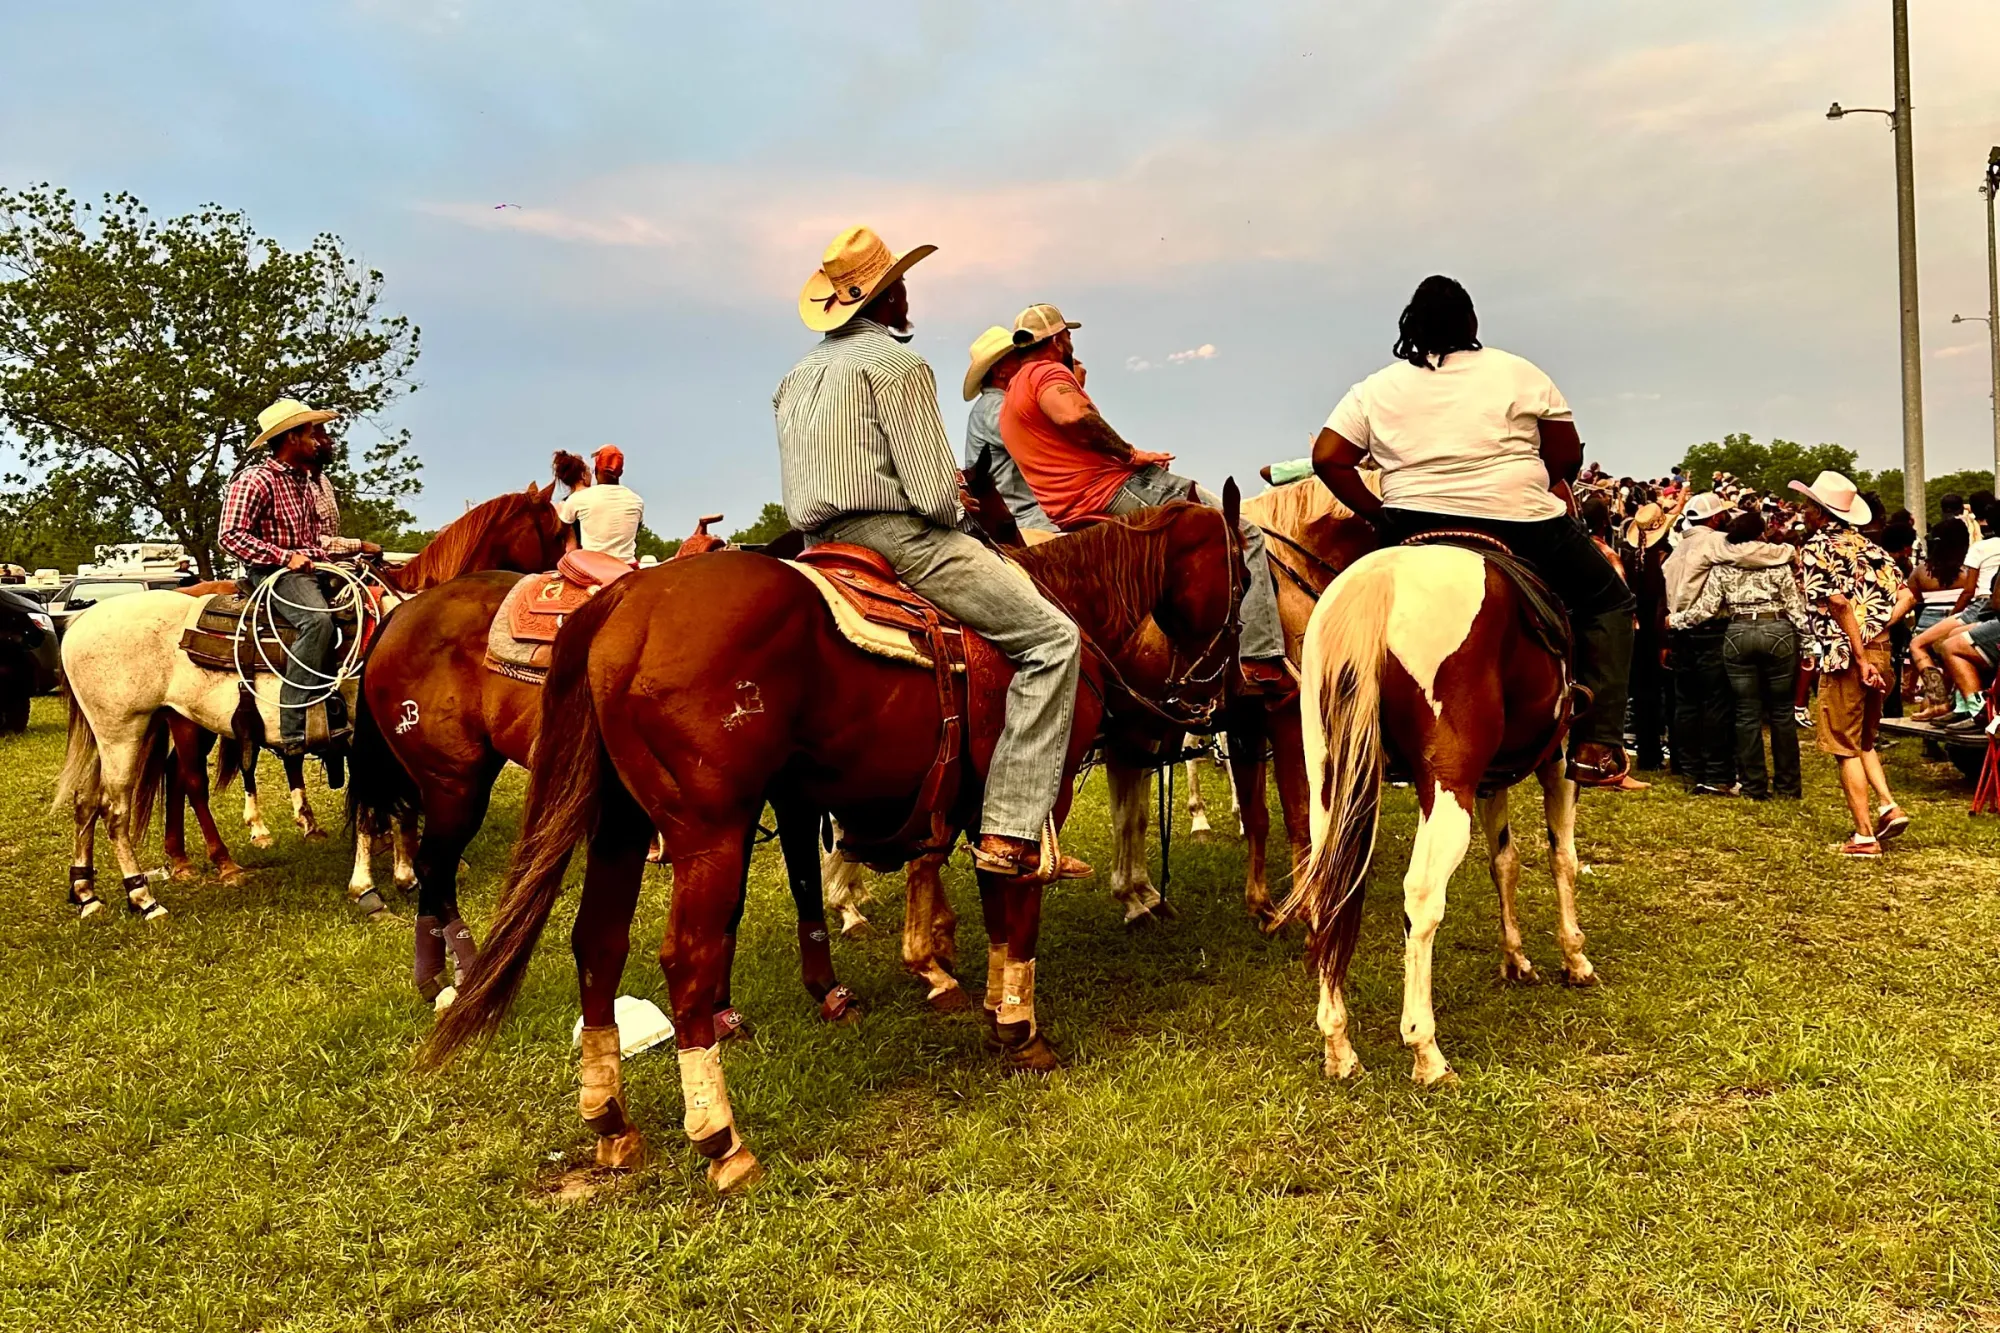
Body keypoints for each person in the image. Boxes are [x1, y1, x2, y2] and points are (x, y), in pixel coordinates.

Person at [774, 225, 1084, 879]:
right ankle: (1009, 828)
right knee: (1053, 640)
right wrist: (955, 507)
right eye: (900, 288)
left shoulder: (795, 377)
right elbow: (931, 497)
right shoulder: (899, 366)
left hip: (813, 548)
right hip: (901, 541)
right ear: (884, 302)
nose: (906, 298)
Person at [1310, 274, 1633, 784]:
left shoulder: (1375, 388)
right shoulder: (1519, 372)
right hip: (1519, 521)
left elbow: (1328, 458)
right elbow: (1566, 454)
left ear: (1409, 327)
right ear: (1472, 323)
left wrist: (1379, 514)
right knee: (1608, 601)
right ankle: (1598, 744)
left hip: (1415, 523)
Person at [997, 303, 1290, 694]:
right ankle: (1260, 659)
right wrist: (1130, 454)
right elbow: (1072, 416)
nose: (1071, 342)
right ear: (1058, 339)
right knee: (1243, 535)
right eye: (1068, 336)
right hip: (1120, 490)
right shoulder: (1047, 373)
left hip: (1074, 514)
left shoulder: (1012, 395)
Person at [218, 397, 380, 754]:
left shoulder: (305, 483)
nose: (319, 440)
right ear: (291, 438)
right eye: (312, 433)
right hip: (273, 573)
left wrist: (353, 552)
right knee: (317, 621)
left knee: (371, 607)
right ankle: (292, 724)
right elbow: (230, 535)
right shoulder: (255, 480)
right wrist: (283, 557)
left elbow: (312, 543)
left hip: (308, 568)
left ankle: (341, 703)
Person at [1792, 471, 1909, 857]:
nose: (1805, 511)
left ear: (1822, 514)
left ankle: (1863, 834)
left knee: (1843, 744)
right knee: (1864, 739)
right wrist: (1878, 626)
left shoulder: (1816, 550)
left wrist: (1858, 653)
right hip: (1882, 649)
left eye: (1810, 506)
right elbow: (1907, 595)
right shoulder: (1874, 550)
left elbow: (1838, 603)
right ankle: (1888, 805)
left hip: (1846, 657)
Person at [1667, 509, 1806, 800]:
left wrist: (1675, 621)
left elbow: (1705, 610)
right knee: (1782, 713)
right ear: (1761, 533)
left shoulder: (1722, 566)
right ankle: (1788, 786)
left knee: (1746, 713)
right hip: (1777, 628)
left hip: (1738, 632)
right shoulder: (1778, 562)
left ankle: (1754, 786)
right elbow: (1795, 608)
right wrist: (1808, 643)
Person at [960, 326, 1056, 539]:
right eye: (1018, 358)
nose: (1026, 363)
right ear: (999, 371)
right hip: (1027, 519)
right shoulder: (995, 408)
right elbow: (1042, 440)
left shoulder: (997, 405)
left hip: (1031, 514)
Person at [1620, 502, 1675, 773]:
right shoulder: (1665, 558)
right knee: (1670, 695)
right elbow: (1662, 601)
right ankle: (1674, 752)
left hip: (1635, 631)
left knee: (1643, 695)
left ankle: (1648, 752)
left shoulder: (1630, 559)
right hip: (1659, 631)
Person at [556, 444, 645, 563]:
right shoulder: (637, 501)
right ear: (621, 472)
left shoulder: (577, 499)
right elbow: (636, 529)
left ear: (596, 470)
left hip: (592, 566)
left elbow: (562, 530)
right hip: (627, 566)